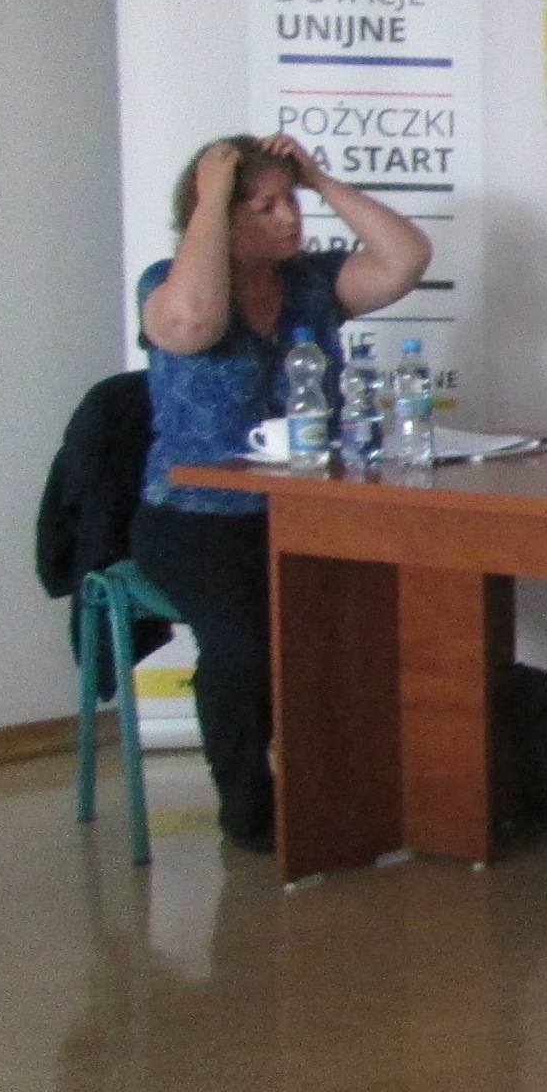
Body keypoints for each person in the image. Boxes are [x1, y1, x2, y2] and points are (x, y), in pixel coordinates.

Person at [134, 133, 432, 849]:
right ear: (221, 216)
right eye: (265, 206)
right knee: (242, 647)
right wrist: (211, 196)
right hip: (195, 519)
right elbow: (197, 325)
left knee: (367, 623)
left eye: (289, 201)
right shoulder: (164, 286)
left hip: (309, 511)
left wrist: (322, 181)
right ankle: (250, 806)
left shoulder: (311, 283)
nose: (289, 219)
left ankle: (372, 784)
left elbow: (406, 259)